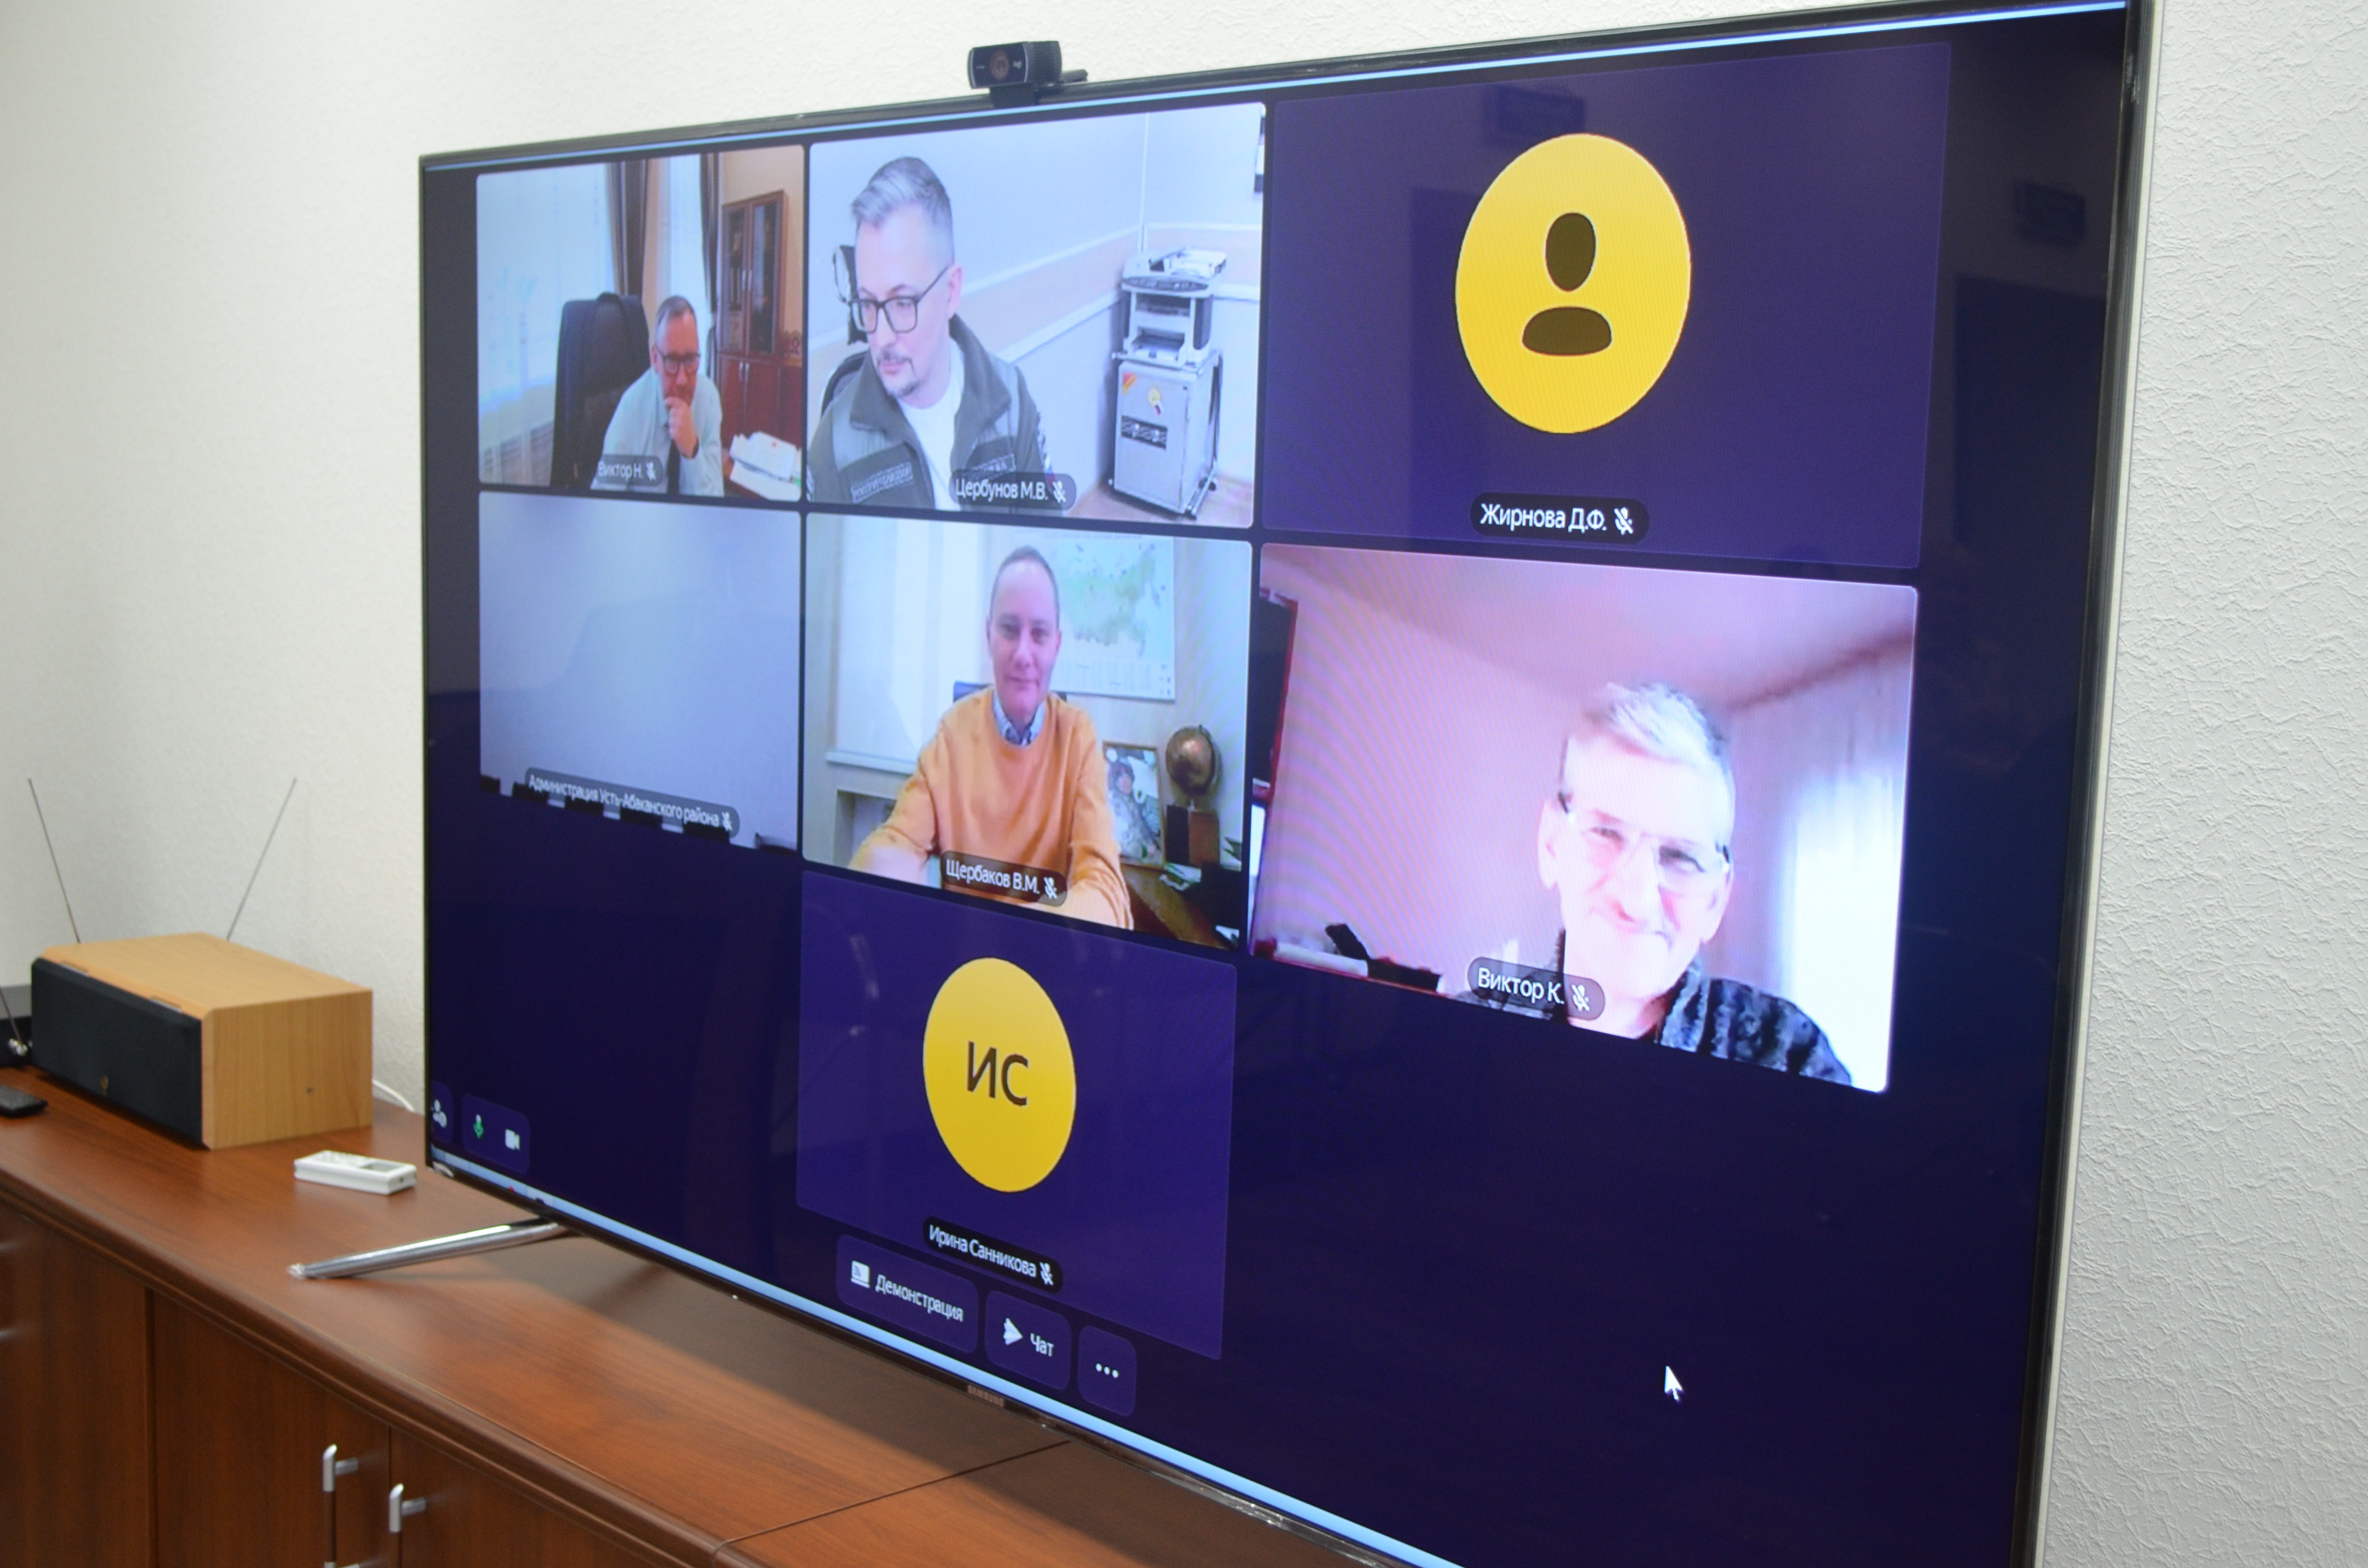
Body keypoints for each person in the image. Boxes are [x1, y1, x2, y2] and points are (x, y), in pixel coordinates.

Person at [1505, 682, 1849, 1082]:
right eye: (1605, 833)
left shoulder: (1789, 1055)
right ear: (1551, 845)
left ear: (1716, 901)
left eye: (1681, 858)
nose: (1637, 901)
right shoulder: (1463, 1034)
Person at [851, 547, 1128, 927]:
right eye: (1009, 630)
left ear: (1057, 645)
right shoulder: (953, 733)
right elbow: (899, 841)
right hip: (962, 955)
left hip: (1042, 953)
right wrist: (876, 879)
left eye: (1040, 634)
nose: (1023, 654)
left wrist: (1016, 929)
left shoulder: (1079, 739)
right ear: (988, 635)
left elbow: (1105, 890)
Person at [806, 157, 1048, 509]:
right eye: (868, 304)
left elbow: (1043, 532)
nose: (881, 339)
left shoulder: (1012, 400)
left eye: (903, 303)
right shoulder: (834, 444)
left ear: (951, 292)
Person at [593, 295, 723, 497]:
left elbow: (715, 503)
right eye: (671, 361)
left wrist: (693, 451)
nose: (682, 380)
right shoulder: (631, 410)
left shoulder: (709, 399)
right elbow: (602, 501)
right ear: (655, 358)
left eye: (690, 360)